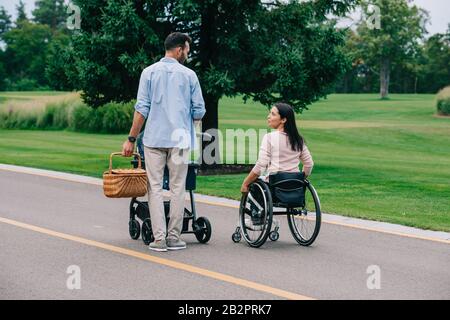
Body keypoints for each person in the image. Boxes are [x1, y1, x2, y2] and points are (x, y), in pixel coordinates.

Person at [122, 32, 206, 252]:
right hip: (180, 140)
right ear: (179, 49)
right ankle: (174, 237)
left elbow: (142, 109)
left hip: (154, 139)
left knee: (155, 188)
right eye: (187, 49)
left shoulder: (148, 73)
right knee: (178, 188)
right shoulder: (190, 76)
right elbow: (199, 111)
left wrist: (131, 138)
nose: (187, 53)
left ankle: (159, 239)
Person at [241, 102, 314, 194]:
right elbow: (309, 164)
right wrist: (300, 178)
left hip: (275, 183)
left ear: (283, 120)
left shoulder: (269, 137)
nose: (268, 117)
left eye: (273, 114)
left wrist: (246, 183)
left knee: (254, 184)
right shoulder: (298, 140)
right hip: (294, 184)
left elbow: (261, 165)